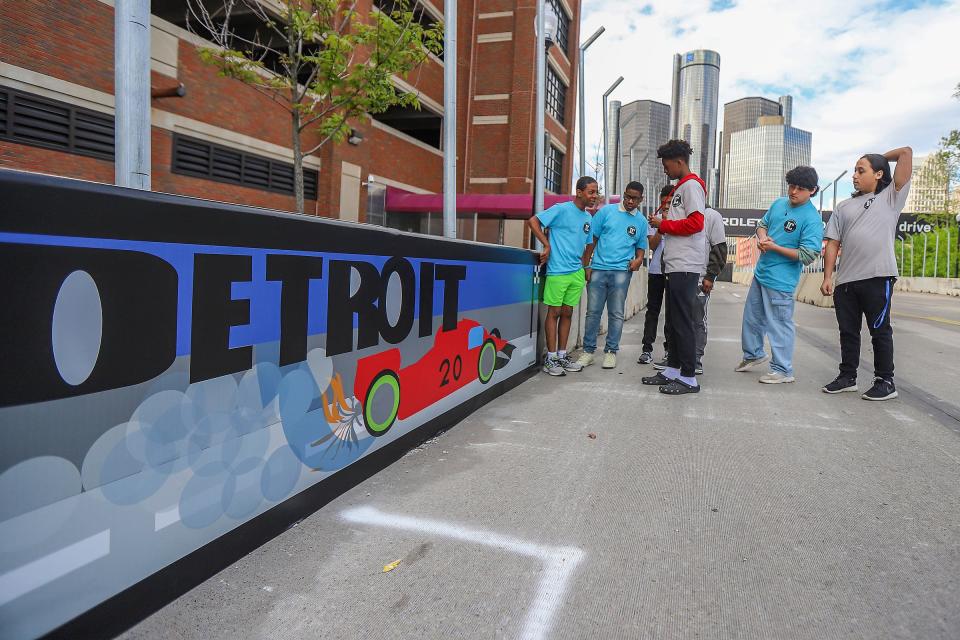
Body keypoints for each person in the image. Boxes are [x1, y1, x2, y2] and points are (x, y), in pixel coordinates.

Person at [820, 148, 913, 400]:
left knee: (880, 331)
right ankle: (847, 376)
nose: (854, 175)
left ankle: (885, 381)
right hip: (847, 281)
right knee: (847, 332)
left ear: (879, 173)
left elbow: (906, 152)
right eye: (854, 170)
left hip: (878, 277)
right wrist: (828, 277)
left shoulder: (891, 197)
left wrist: (879, 156)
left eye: (861, 170)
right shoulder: (844, 206)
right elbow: (832, 243)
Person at [736, 166, 824, 383]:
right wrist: (763, 238)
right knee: (752, 319)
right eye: (792, 186)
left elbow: (808, 255)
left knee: (779, 324)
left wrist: (774, 248)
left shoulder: (812, 218)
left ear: (813, 190)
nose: (794, 191)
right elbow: (762, 225)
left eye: (801, 188)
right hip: (761, 273)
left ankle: (783, 370)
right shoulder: (778, 203)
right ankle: (753, 354)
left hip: (781, 281)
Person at [642, 140, 706, 395]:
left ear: (679, 162)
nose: (665, 170)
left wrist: (663, 224)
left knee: (683, 322)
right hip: (675, 264)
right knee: (673, 320)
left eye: (667, 165)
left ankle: (689, 377)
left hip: (686, 264)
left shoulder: (691, 186)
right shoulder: (682, 187)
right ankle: (674, 369)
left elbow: (696, 223)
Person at [528, 176, 599, 376]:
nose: (595, 196)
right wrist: (547, 244)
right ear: (579, 192)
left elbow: (588, 243)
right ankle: (550, 359)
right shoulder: (561, 209)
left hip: (576, 272)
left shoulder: (588, 218)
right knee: (554, 313)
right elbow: (533, 222)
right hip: (557, 271)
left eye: (596, 192)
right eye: (591, 192)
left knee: (568, 313)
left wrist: (586, 266)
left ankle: (562, 355)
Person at [578, 181, 649, 369]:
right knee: (592, 312)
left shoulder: (641, 221)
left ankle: (611, 352)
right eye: (627, 196)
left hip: (621, 272)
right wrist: (586, 265)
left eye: (634, 198)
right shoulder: (606, 212)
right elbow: (591, 240)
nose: (630, 201)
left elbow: (641, 248)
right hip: (598, 269)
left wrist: (638, 259)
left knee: (616, 313)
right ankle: (588, 352)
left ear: (641, 200)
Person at [638, 185, 672, 365]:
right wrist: (661, 226)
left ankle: (669, 350)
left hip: (674, 271)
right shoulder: (655, 220)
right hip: (656, 271)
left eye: (669, 202)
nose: (665, 206)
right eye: (663, 203)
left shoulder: (681, 219)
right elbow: (652, 246)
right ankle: (646, 349)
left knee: (671, 314)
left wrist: (669, 222)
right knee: (653, 311)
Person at [694, 207, 728, 375]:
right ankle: (674, 355)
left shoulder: (712, 216)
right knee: (675, 320)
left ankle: (695, 359)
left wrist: (710, 275)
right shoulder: (678, 212)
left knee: (698, 320)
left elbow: (720, 248)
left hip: (699, 279)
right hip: (678, 276)